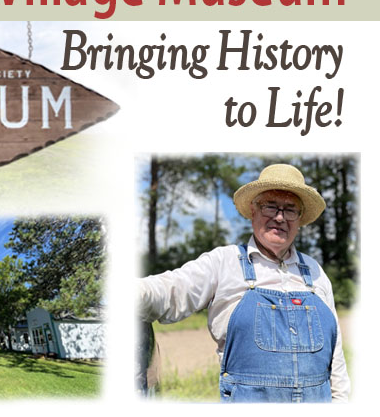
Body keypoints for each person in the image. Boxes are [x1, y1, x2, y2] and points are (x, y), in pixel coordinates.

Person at [137, 164, 350, 402]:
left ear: (299, 218)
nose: (279, 217)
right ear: (253, 210)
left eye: (290, 210)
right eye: (270, 206)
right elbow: (170, 290)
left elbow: (336, 361)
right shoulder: (223, 262)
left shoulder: (315, 272)